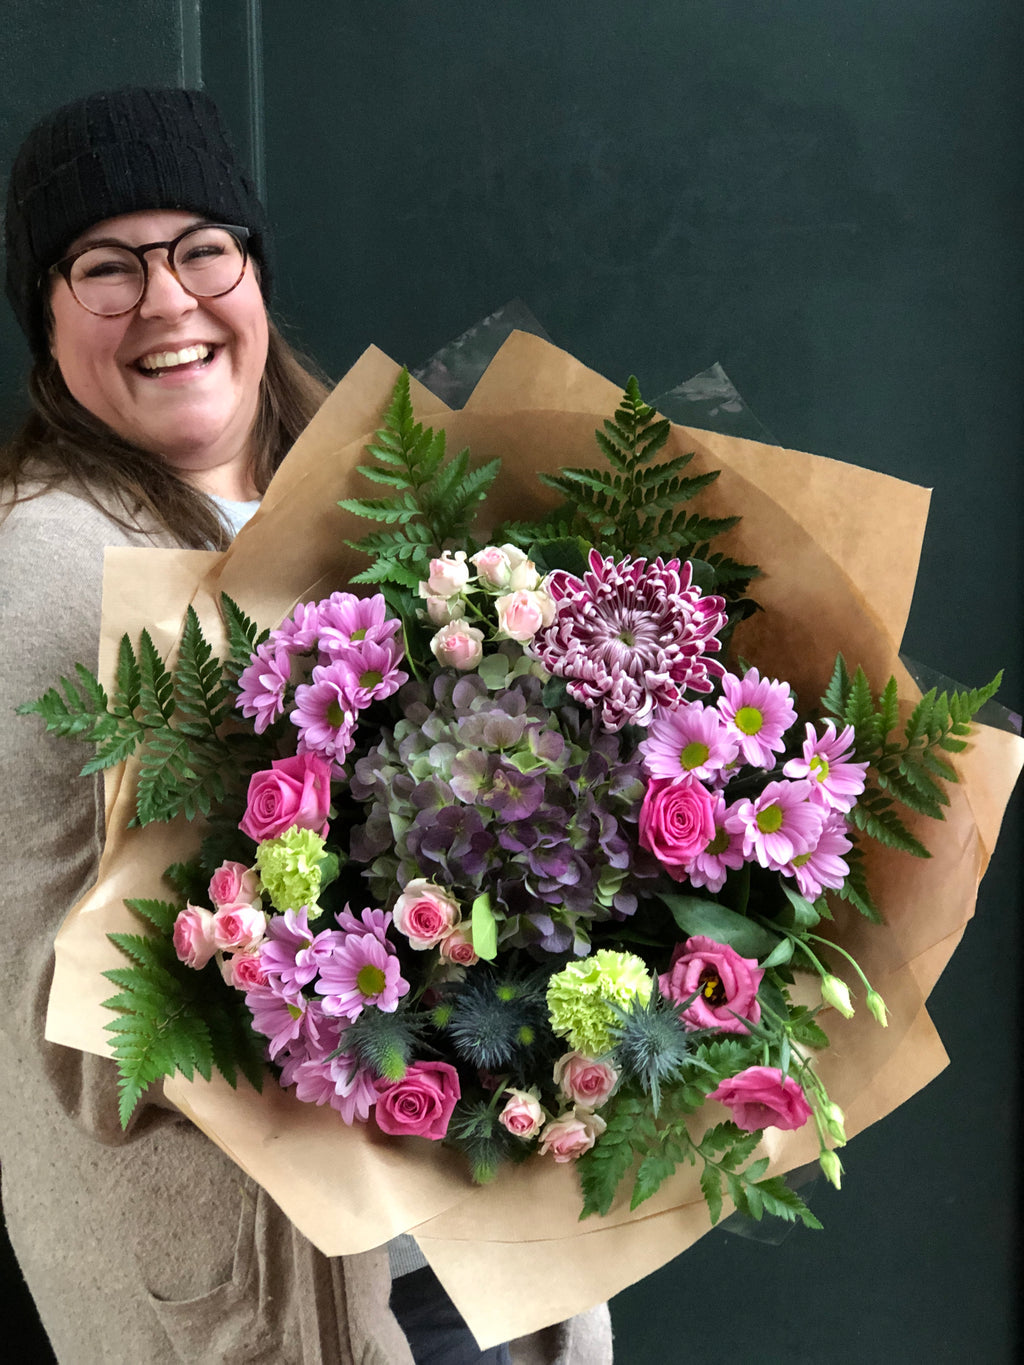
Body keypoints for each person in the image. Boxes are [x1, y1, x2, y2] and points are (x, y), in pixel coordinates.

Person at [0, 87, 613, 1365]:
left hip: (472, 1232)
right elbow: (71, 1022)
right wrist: (308, 962)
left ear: (253, 272)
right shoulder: (51, 568)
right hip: (273, 1290)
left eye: (200, 250)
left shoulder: (375, 482)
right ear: (46, 323)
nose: (168, 302)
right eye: (107, 270)